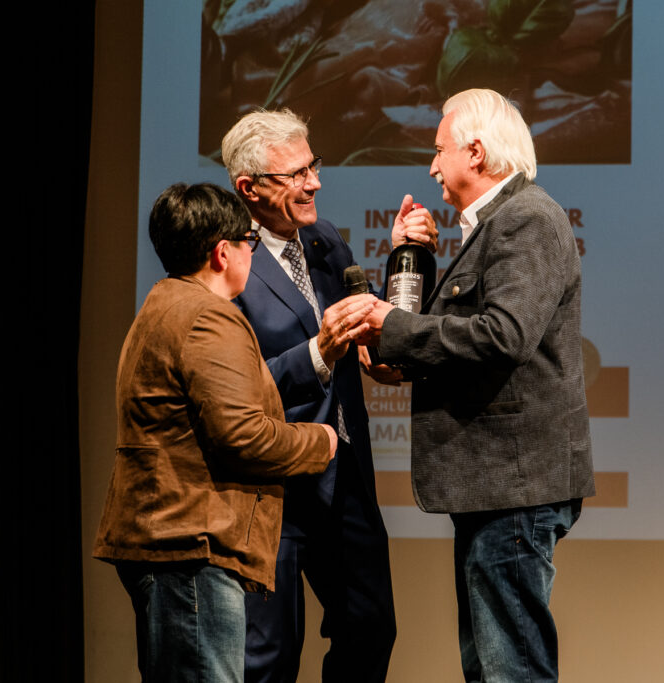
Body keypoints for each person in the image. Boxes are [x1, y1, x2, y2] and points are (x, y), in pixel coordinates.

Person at [360, 88, 596, 683]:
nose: (432, 166)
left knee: (508, 669)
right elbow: (470, 328)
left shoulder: (526, 218)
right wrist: (410, 264)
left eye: (439, 151)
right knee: (491, 669)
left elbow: (504, 336)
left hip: (513, 486)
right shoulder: (496, 223)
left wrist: (393, 328)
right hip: (494, 486)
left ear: (476, 150)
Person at [220, 108, 436, 683]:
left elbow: (364, 342)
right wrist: (319, 351)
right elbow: (236, 388)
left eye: (312, 165)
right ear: (250, 189)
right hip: (276, 487)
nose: (314, 182)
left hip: (347, 477)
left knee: (371, 629)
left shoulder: (325, 239)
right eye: (295, 174)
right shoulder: (228, 263)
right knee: (271, 658)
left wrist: (402, 257)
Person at [92, 182, 337, 683]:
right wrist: (322, 441)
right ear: (223, 252)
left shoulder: (165, 305)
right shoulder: (207, 317)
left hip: (174, 543)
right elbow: (245, 436)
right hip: (190, 548)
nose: (254, 250)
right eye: (250, 239)